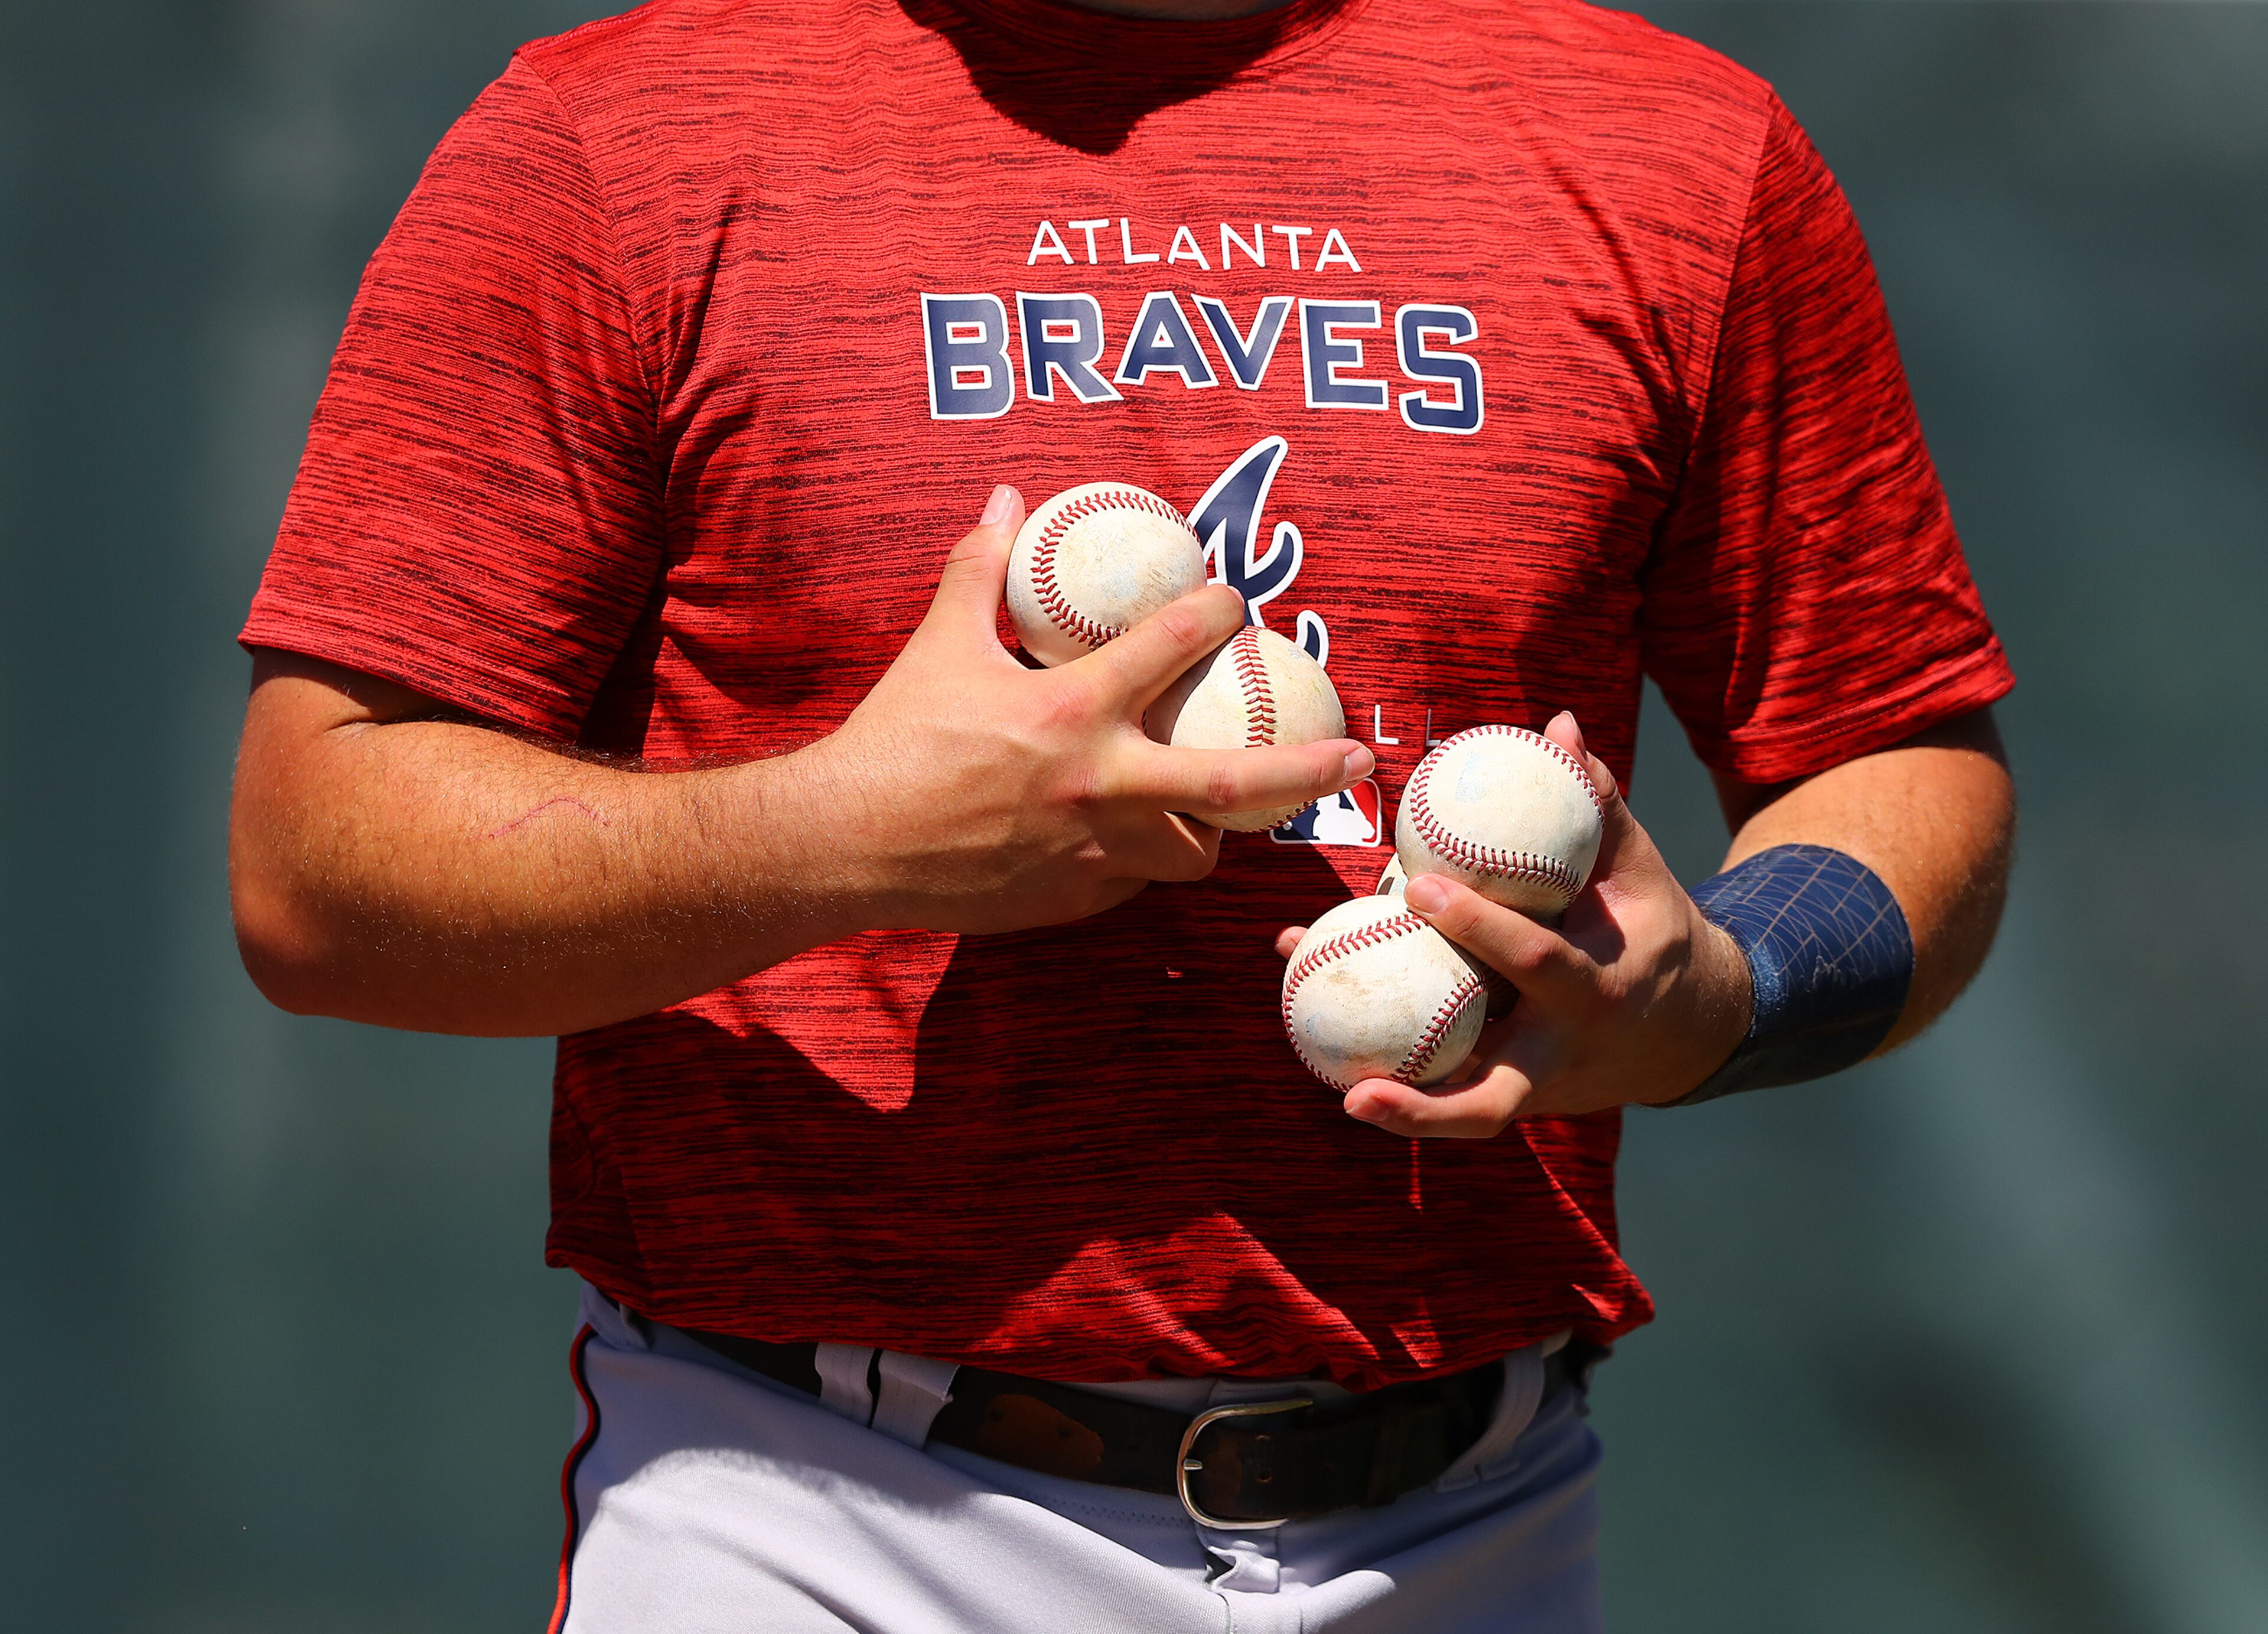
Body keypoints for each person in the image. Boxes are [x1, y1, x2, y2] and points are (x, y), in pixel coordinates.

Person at [229, 0, 2017, 1625]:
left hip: (1472, 1523)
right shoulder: (623, 132)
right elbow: (314, 863)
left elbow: (1901, 757)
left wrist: (1722, 999)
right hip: (814, 1513)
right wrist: (846, 835)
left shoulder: (1672, 144)